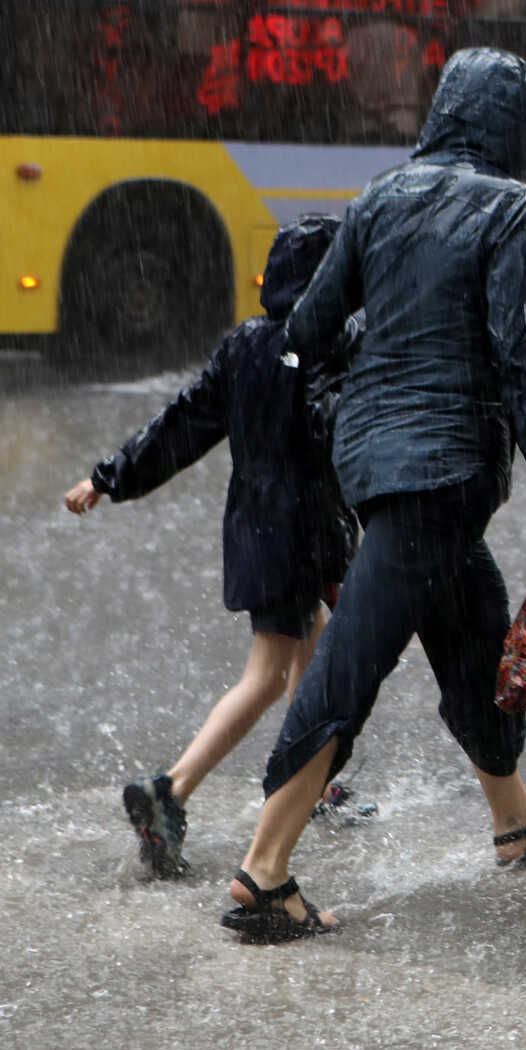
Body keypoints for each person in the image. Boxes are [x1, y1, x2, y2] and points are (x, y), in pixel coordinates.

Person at [219, 47, 526, 943]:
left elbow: (309, 330)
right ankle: (264, 873)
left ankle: (516, 822)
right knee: (350, 663)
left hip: (380, 463)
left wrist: (387, 353)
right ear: (514, 124)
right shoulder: (507, 207)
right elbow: (523, 356)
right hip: (448, 467)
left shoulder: (381, 197)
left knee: (477, 629)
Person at [63, 217, 358, 879]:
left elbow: (184, 421)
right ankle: (170, 790)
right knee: (267, 674)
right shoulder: (329, 346)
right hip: (301, 530)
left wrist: (110, 477)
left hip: (255, 524)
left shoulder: (245, 344)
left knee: (309, 645)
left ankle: (314, 780)